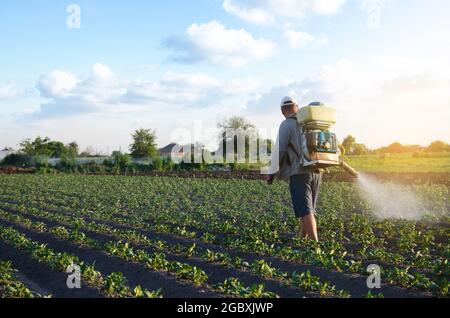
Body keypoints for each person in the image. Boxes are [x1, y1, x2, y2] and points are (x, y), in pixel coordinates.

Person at [266, 96, 322, 241]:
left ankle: (316, 246)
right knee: (307, 210)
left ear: (282, 111)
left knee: (305, 210)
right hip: (317, 170)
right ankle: (301, 240)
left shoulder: (286, 124)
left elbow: (280, 150)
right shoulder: (310, 123)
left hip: (300, 172)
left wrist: (271, 173)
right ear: (296, 107)